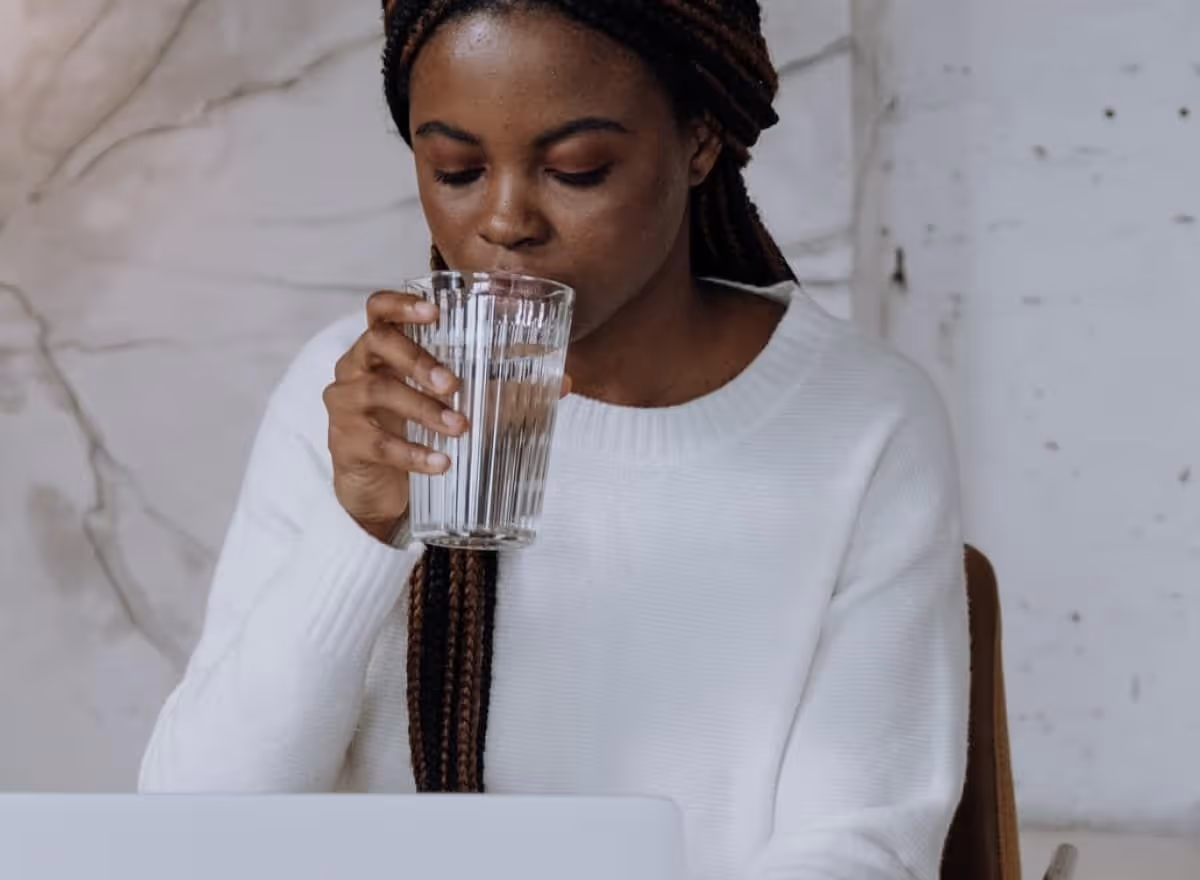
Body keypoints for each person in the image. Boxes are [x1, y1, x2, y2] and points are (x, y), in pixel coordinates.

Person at [140, 1, 970, 877]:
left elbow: (857, 847)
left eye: (576, 169)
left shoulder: (860, 422)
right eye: (456, 169)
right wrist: (359, 532)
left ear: (700, 141)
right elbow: (193, 831)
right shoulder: (359, 402)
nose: (505, 222)